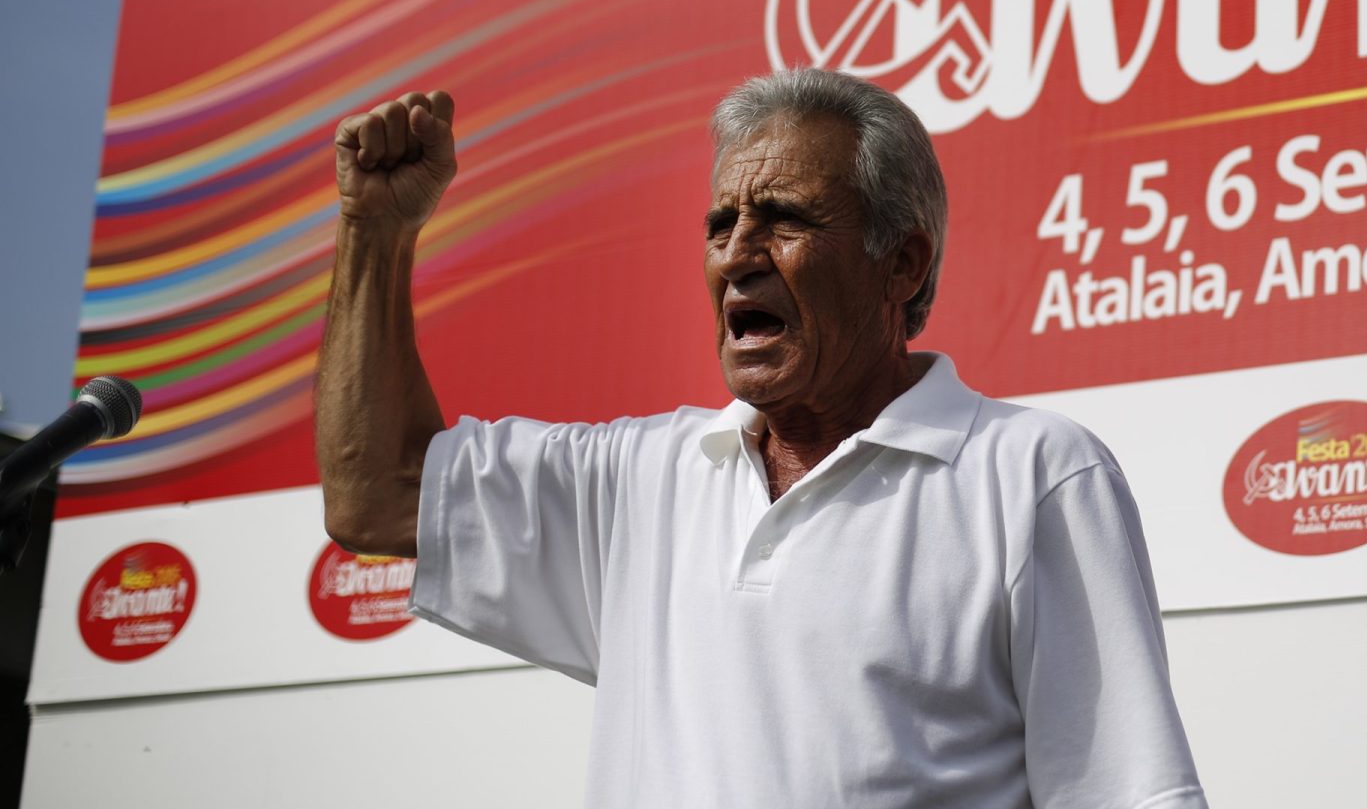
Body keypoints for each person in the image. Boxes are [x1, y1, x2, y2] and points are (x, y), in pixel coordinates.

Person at [315, 68, 1208, 809]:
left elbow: (1128, 793)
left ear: (902, 261)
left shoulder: (1031, 473)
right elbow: (378, 491)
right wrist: (374, 232)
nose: (738, 250)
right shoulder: (640, 482)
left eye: (783, 217)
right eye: (718, 224)